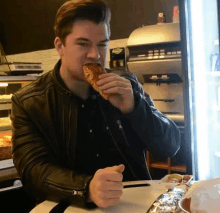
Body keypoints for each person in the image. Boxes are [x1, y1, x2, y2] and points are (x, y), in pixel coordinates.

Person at [11, 0, 180, 209]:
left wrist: (135, 108)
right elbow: (32, 170)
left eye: (102, 44)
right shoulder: (29, 102)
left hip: (134, 204)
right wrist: (86, 188)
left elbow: (169, 146)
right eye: (83, 44)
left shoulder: (126, 84)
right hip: (69, 206)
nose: (95, 55)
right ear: (59, 46)